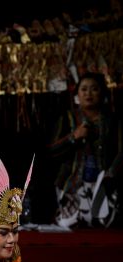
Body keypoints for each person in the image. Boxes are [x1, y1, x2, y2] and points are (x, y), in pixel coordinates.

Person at [48, 72, 122, 228]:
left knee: (105, 229)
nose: (88, 93)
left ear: (102, 93)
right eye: (84, 89)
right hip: (73, 185)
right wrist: (74, 137)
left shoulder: (113, 120)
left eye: (94, 89)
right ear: (77, 95)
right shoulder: (68, 119)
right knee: (70, 229)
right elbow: (52, 152)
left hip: (105, 184)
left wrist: (110, 176)